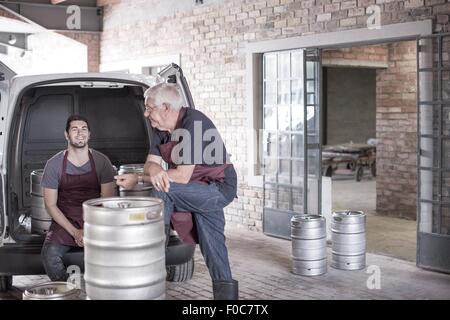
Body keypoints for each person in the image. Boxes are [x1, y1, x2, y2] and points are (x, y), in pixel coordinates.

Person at [115, 83, 238, 300]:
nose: (146, 113)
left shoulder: (194, 123)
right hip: (195, 188)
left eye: (149, 107)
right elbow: (150, 165)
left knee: (164, 191)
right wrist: (148, 173)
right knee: (212, 245)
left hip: (216, 188)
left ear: (166, 107)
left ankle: (151, 257)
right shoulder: (159, 129)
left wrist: (140, 179)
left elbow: (181, 176)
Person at [40, 115, 116, 281]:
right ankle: (69, 292)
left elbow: (108, 202)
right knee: (50, 256)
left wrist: (90, 229)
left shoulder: (102, 162)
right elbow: (50, 205)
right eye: (74, 129)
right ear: (66, 135)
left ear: (89, 134)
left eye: (84, 129)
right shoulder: (54, 164)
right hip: (65, 221)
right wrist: (75, 232)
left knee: (114, 256)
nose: (80, 133)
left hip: (96, 220)